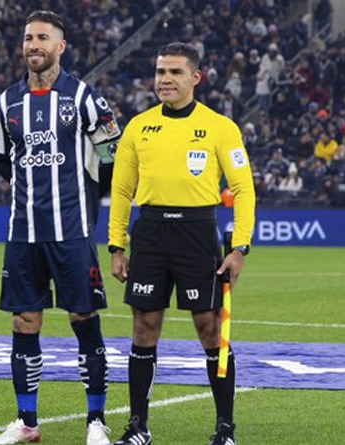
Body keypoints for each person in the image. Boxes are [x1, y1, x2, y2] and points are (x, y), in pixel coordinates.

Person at [108, 42, 256, 445]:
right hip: (151, 233)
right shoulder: (138, 127)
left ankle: (225, 428)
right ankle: (138, 427)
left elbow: (244, 189)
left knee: (210, 329)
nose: (165, 79)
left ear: (196, 77)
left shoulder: (221, 127)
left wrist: (240, 247)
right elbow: (121, 190)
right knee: (144, 329)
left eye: (175, 72)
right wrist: (116, 245)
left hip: (197, 234)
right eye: (160, 72)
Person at [0, 10, 120, 445]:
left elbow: (112, 157)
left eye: (43, 38)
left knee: (84, 318)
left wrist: (86, 199)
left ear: (60, 46)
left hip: (73, 232)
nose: (34, 45)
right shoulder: (5, 103)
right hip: (23, 233)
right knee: (24, 321)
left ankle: (96, 421)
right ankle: (26, 422)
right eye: (29, 38)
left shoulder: (85, 97)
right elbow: (5, 163)